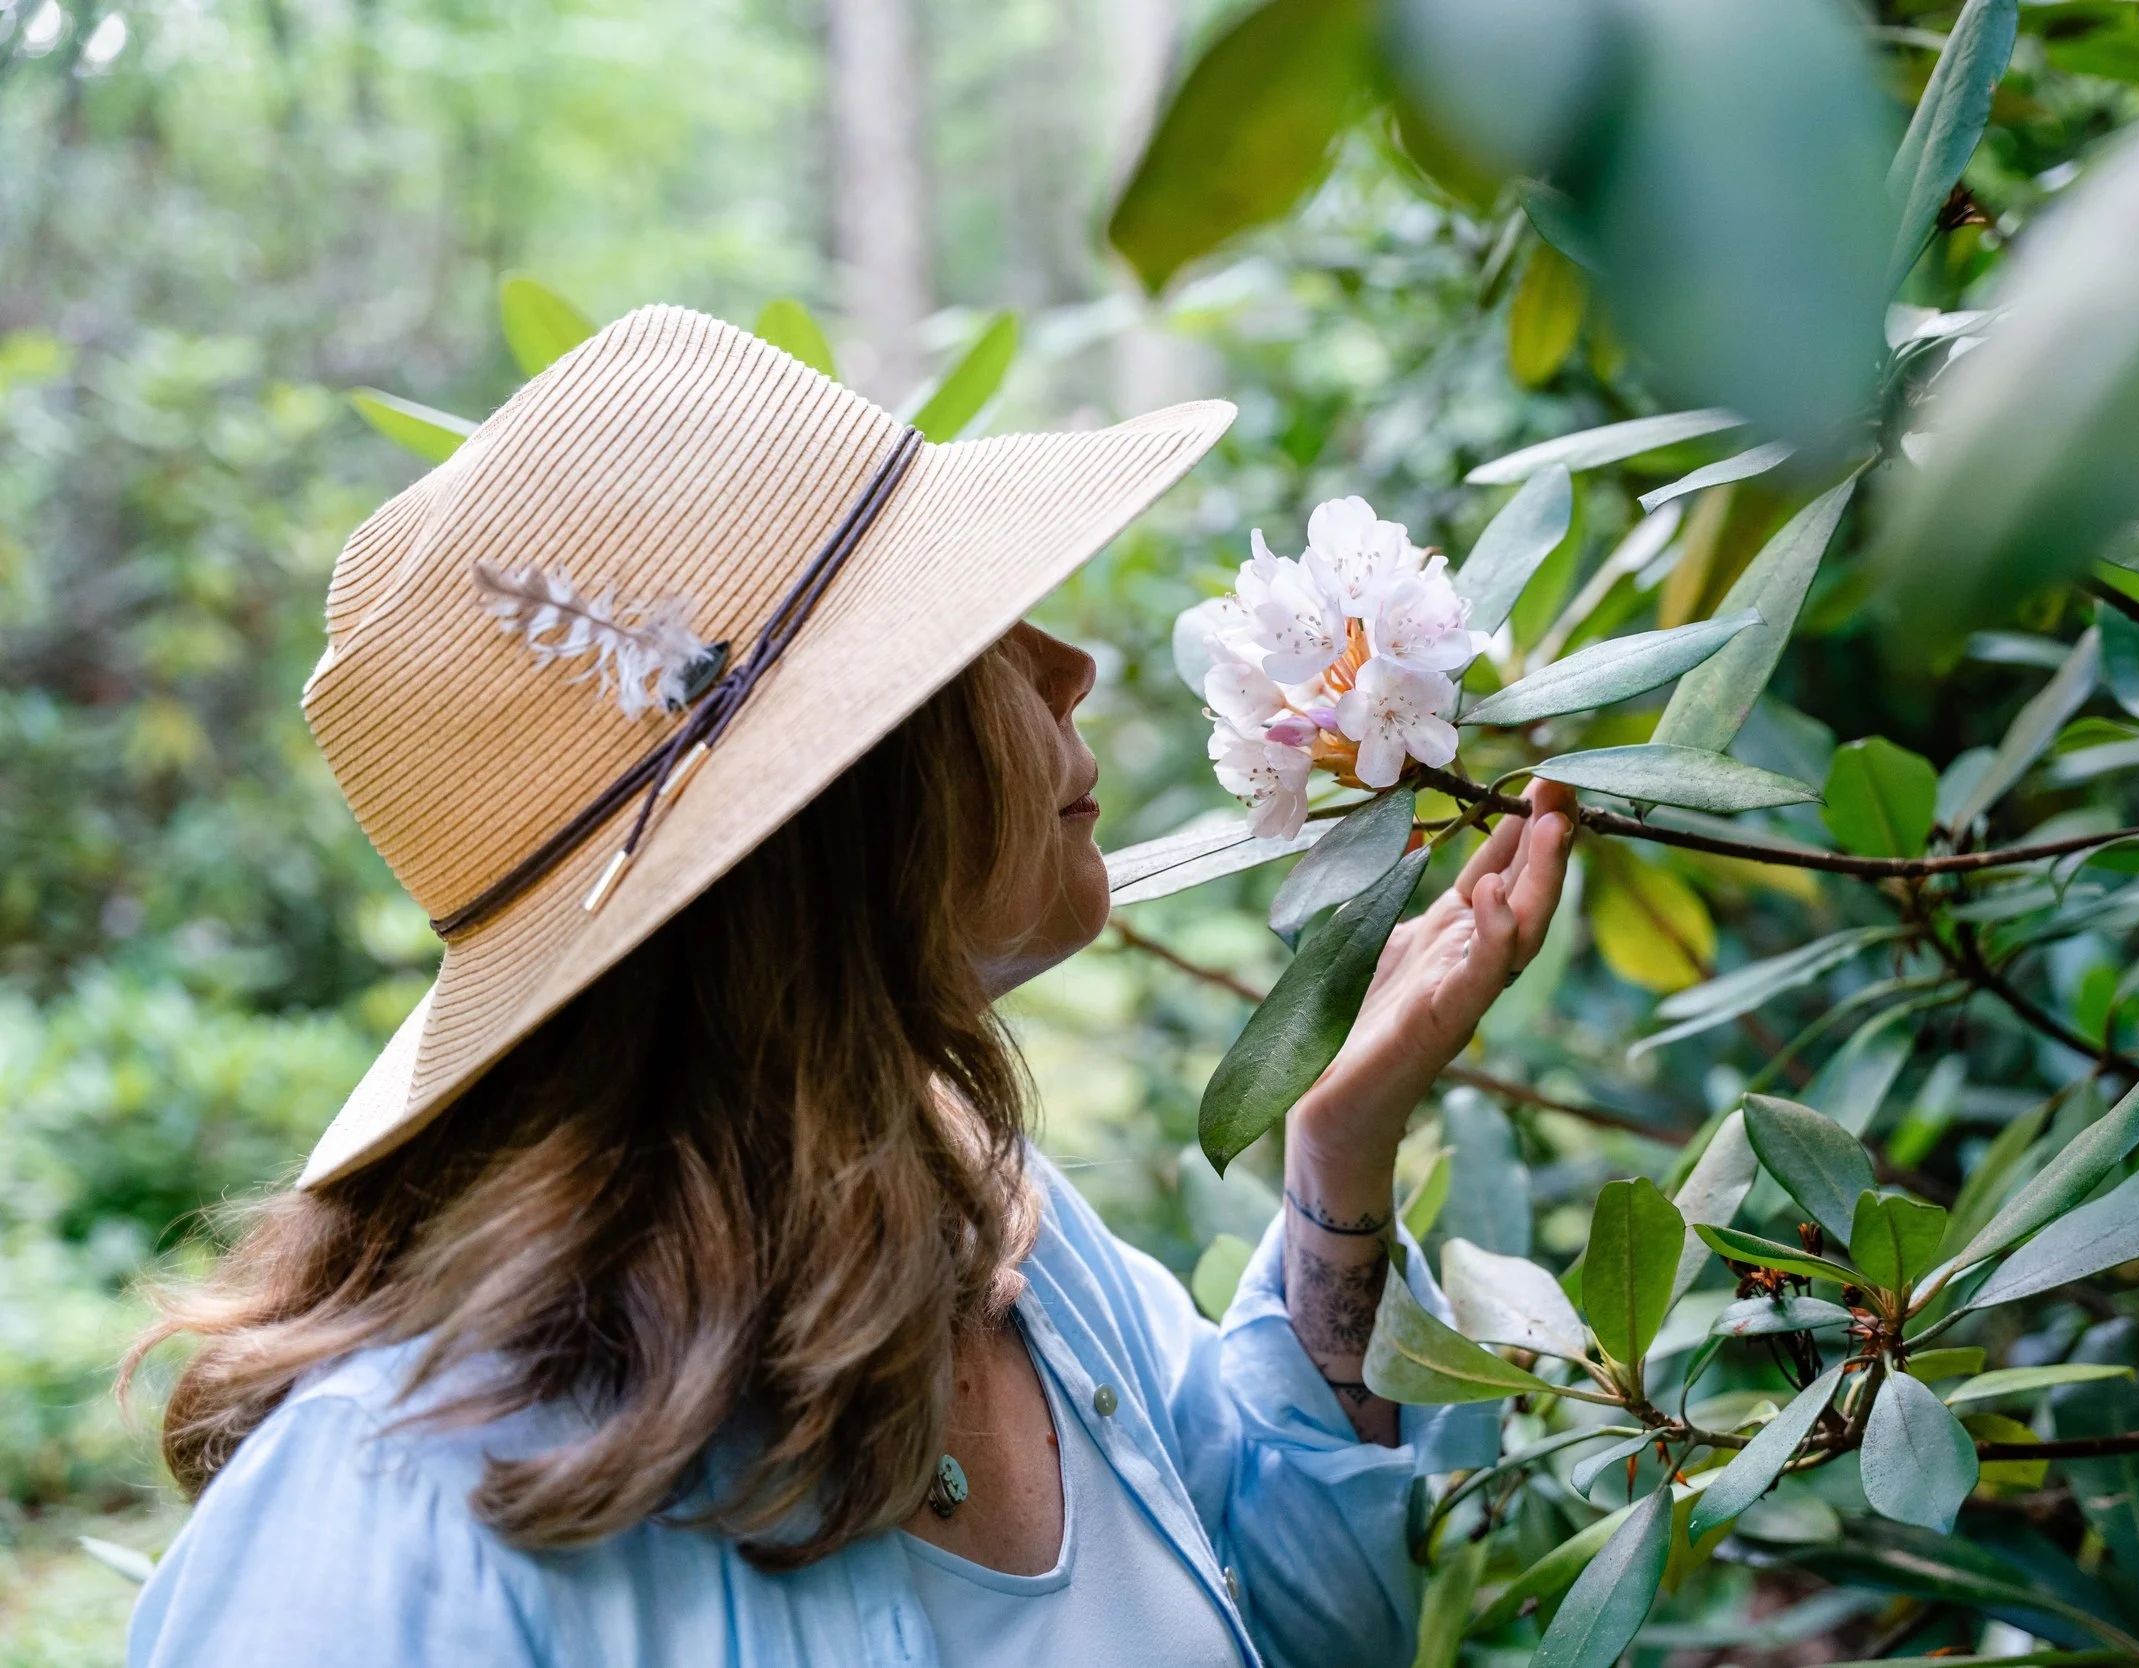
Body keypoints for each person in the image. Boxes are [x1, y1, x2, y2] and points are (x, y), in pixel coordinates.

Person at [123, 306, 1576, 1667]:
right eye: (972, 634)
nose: (1072, 665)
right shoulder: (393, 1523)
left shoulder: (999, 1236)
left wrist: (1338, 1155)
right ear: (837, 808)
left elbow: (1317, 1619)